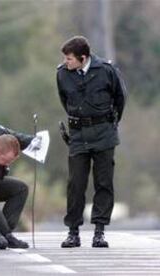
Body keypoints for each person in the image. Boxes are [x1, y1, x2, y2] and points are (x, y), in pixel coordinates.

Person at [56, 36, 127, 248]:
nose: (66, 62)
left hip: (104, 133)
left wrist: (109, 123)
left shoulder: (106, 70)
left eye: (69, 58)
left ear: (83, 57)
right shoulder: (62, 74)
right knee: (75, 184)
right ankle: (73, 232)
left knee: (103, 183)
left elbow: (120, 98)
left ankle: (99, 231)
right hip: (78, 134)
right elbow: (65, 100)